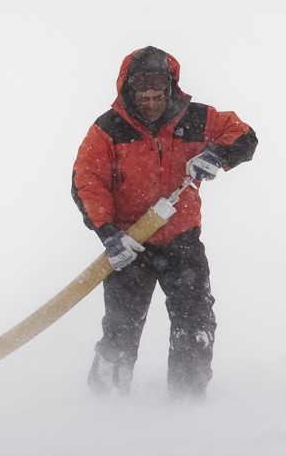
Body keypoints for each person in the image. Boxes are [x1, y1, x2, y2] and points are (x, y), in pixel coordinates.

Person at [71, 47, 256, 400]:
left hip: (182, 243)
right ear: (129, 91)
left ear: (170, 88)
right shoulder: (107, 130)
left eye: (158, 96)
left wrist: (217, 153)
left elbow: (244, 135)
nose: (152, 103)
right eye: (144, 97)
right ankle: (104, 405)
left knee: (194, 325)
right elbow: (87, 182)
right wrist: (108, 232)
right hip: (129, 245)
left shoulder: (198, 118)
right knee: (120, 332)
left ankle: (186, 405)